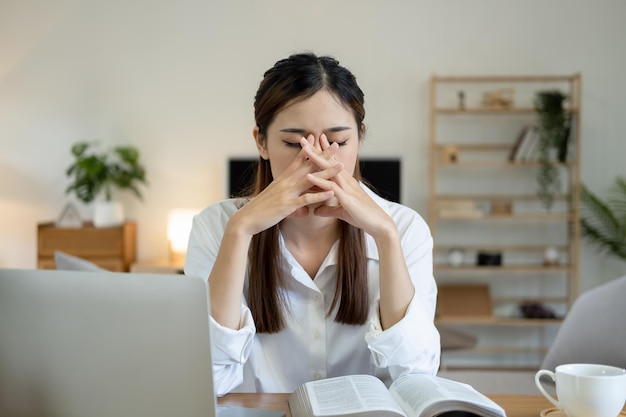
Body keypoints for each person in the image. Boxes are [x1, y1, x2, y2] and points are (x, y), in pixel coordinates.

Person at [185, 52, 440, 395]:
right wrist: (240, 230)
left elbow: (415, 377)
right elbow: (208, 381)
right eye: (294, 143)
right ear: (261, 142)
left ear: (360, 138)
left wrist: (385, 236)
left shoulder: (404, 229)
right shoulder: (217, 227)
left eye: (337, 141)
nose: (318, 160)